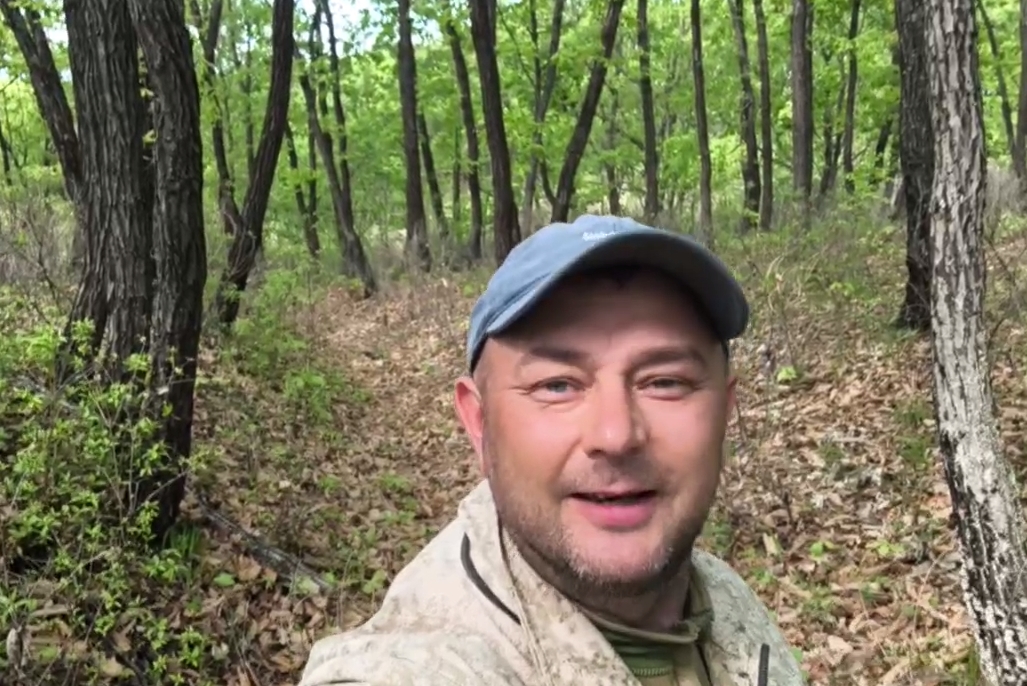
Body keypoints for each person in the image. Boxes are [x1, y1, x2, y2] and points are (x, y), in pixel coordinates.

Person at [298, 215, 805, 686]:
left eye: (665, 382)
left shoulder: (722, 595)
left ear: (725, 409)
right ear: (479, 423)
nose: (616, 435)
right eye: (557, 386)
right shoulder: (409, 667)